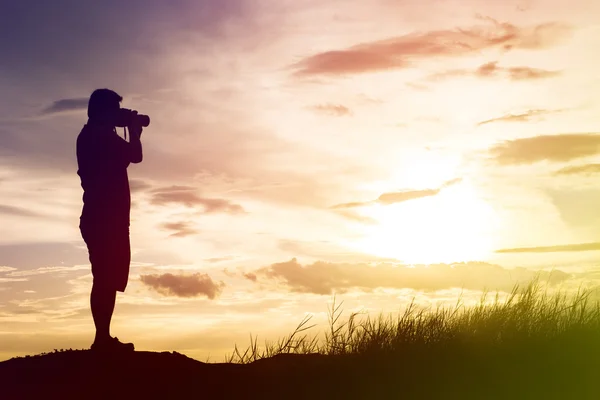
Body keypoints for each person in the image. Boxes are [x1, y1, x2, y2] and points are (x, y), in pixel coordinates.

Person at [76, 89, 144, 352]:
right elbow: (135, 155)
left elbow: (125, 160)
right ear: (103, 112)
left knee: (108, 277)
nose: (119, 116)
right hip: (103, 219)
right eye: (115, 111)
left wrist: (128, 127)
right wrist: (135, 132)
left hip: (105, 218)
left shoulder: (96, 135)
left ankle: (103, 337)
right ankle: (101, 339)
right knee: (105, 277)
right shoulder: (98, 136)